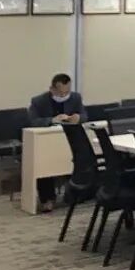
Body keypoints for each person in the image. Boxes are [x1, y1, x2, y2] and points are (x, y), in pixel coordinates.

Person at [28, 73, 88, 212]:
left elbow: (85, 115)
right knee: (44, 165)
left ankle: (72, 195)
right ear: (52, 89)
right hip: (45, 143)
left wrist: (78, 118)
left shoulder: (75, 98)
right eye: (61, 93)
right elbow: (32, 121)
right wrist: (52, 120)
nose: (64, 95)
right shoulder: (38, 101)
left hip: (68, 141)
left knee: (77, 161)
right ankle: (47, 199)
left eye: (67, 92)